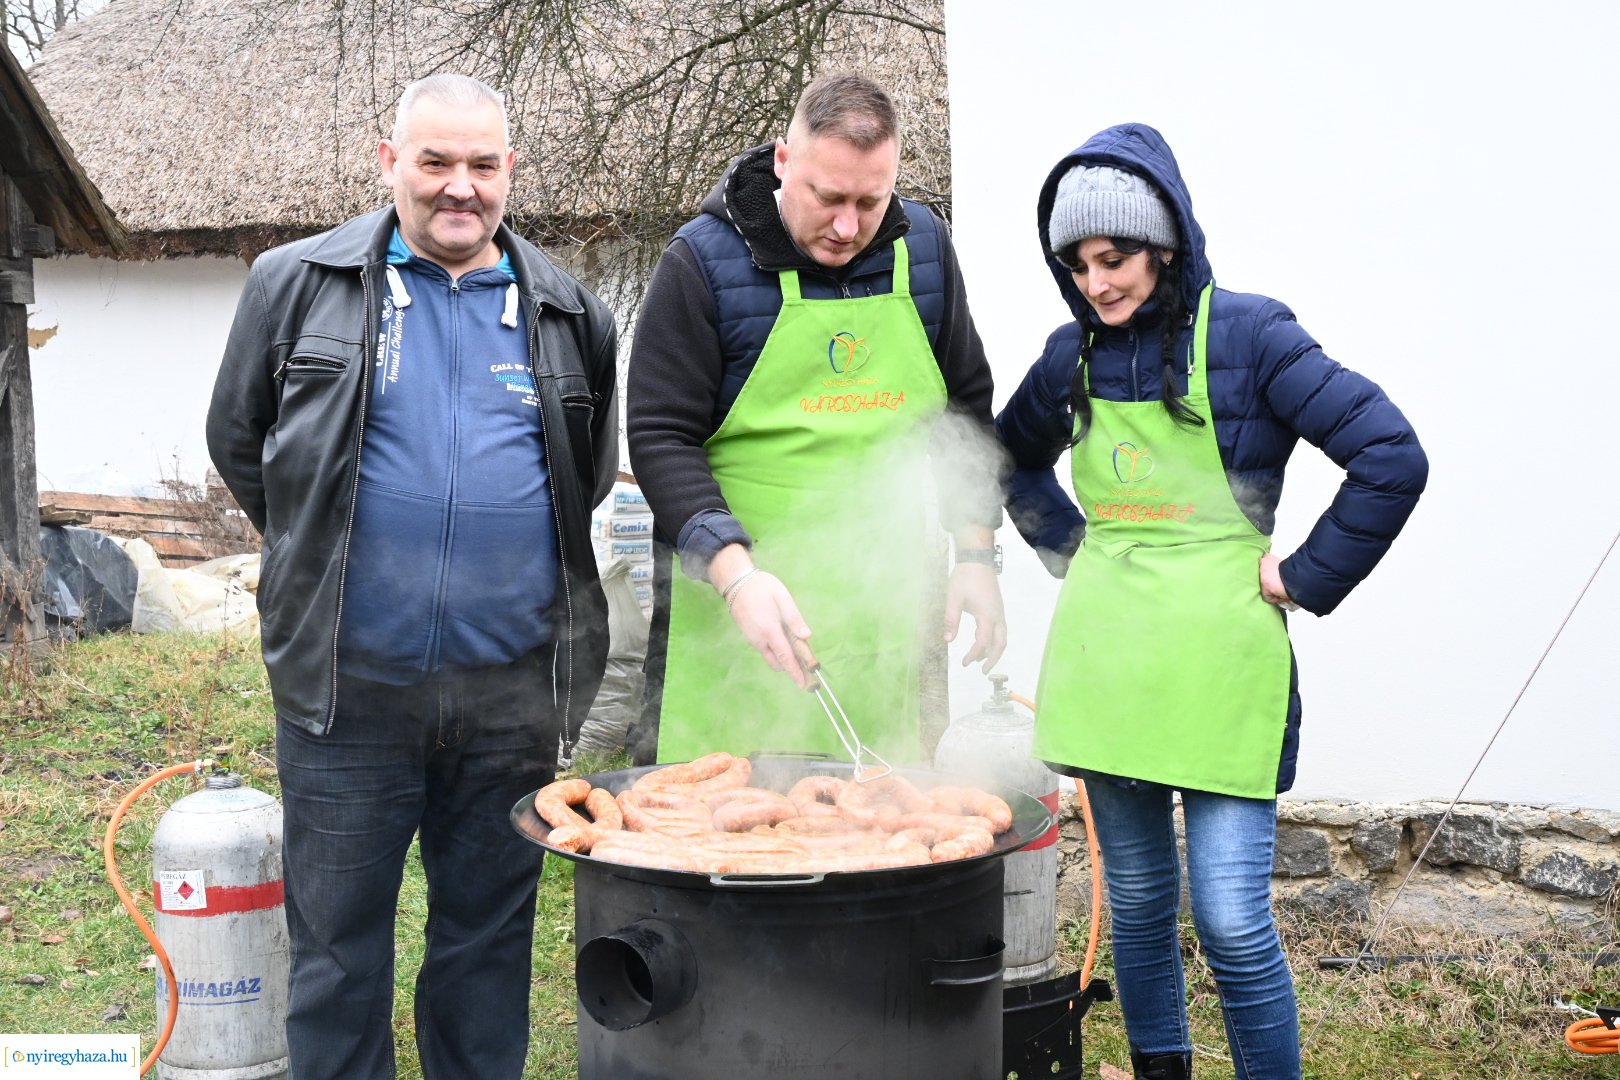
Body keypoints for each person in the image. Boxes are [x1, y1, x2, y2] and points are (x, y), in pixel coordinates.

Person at [205, 74, 617, 1079]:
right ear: (389, 163)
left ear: (511, 171)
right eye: (434, 162)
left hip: (511, 700)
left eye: (482, 165)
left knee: (485, 952)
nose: (459, 188)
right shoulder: (293, 284)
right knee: (340, 957)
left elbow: (586, 477)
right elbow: (240, 441)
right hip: (350, 692)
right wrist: (320, 552)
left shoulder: (570, 311)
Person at [997, 124, 1427, 1080]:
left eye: (1115, 259)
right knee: (1143, 903)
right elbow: (1010, 457)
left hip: (1224, 666)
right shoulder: (1070, 355)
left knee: (1231, 920)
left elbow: (1391, 456)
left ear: (1166, 244)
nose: (1096, 284)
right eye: (1077, 266)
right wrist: (1072, 546)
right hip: (1110, 662)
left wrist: (1306, 575)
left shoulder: (1251, 334)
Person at [626, 72, 1007, 767]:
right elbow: (660, 435)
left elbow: (968, 414)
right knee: (715, 841)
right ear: (783, 162)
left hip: (877, 615)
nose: (846, 226)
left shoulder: (923, 248)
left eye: (870, 201)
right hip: (734, 607)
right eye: (827, 198)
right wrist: (737, 575)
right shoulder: (701, 261)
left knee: (870, 824)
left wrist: (977, 555)